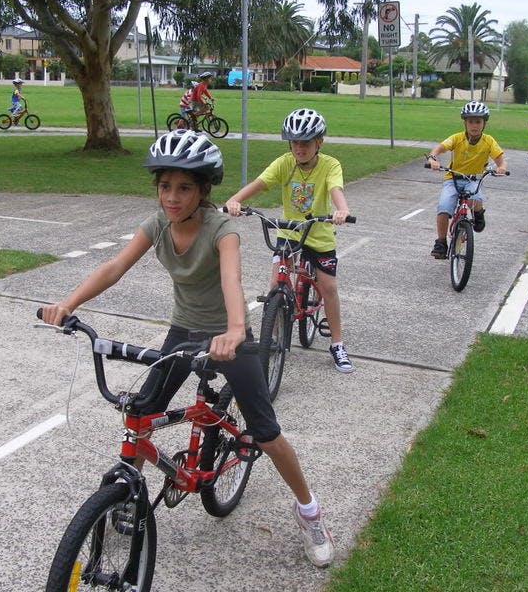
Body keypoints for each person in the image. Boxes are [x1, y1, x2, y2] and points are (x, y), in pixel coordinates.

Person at [40, 129, 335, 568]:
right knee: (141, 409)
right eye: (164, 187)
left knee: (266, 431)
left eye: (183, 188)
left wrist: (235, 330)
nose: (172, 198)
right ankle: (128, 494)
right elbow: (114, 266)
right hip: (184, 331)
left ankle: (310, 513)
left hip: (228, 336)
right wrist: (67, 304)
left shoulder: (222, 230)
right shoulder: (158, 225)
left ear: (202, 191)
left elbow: (231, 282)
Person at [225, 108, 355, 374]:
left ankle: (337, 344)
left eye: (306, 142)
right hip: (288, 231)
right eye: (295, 142)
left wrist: (341, 209)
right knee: (275, 284)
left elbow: (335, 189)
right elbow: (260, 183)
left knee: (328, 286)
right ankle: (273, 337)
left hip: (318, 233)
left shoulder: (330, 165)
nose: (299, 148)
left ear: (319, 141)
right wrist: (236, 200)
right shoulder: (284, 163)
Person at [426, 101, 508, 259]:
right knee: (444, 206)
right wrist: (433, 159)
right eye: (470, 121)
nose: (474, 126)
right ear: (465, 123)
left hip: (473, 179)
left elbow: (501, 160)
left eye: (478, 121)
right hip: (453, 178)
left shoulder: (488, 141)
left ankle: (478, 214)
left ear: (484, 123)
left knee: (475, 198)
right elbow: (439, 148)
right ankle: (441, 242)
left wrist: (501, 167)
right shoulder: (457, 138)